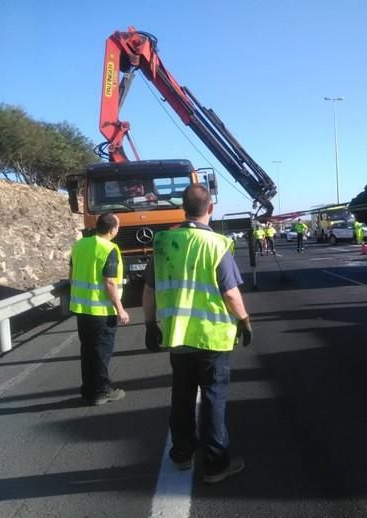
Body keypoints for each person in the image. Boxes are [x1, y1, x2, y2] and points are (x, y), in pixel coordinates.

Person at [142, 184, 252, 485]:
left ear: (183, 208)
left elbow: (149, 290)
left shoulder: (163, 242)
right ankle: (215, 465)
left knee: (182, 395)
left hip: (177, 336)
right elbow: (230, 293)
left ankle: (181, 454)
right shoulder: (217, 244)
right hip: (212, 338)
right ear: (211, 208)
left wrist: (150, 324)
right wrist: (244, 320)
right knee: (214, 398)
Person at [69, 212, 129, 406]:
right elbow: (110, 283)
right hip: (102, 312)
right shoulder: (109, 248)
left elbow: (71, 274)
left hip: (82, 309)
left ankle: (88, 390)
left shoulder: (80, 245)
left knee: (87, 351)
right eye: (117, 227)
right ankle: (102, 391)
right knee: (101, 353)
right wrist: (120, 309)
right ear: (112, 229)